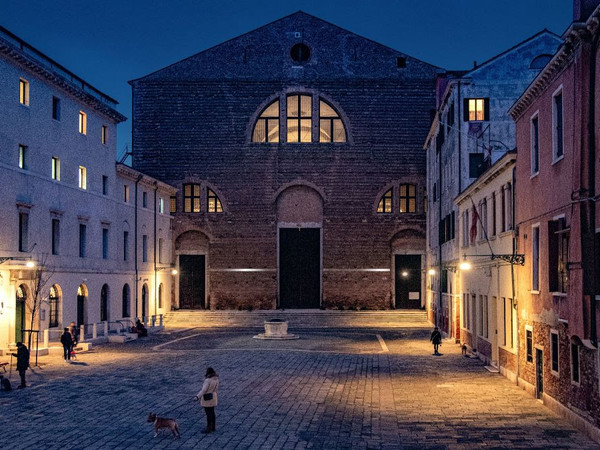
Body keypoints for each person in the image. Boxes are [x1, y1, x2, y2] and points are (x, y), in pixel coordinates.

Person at [194, 367, 219, 433]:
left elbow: (204, 390)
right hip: (213, 397)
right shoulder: (216, 379)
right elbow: (216, 389)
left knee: (208, 413)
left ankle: (208, 428)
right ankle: (213, 427)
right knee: (212, 412)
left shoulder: (207, 380)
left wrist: (197, 396)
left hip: (207, 398)